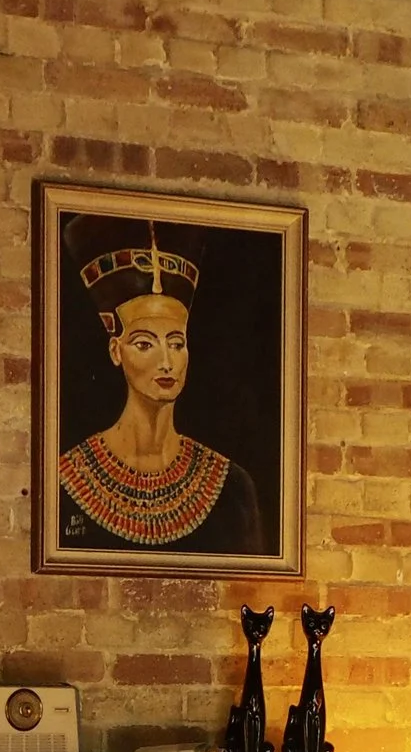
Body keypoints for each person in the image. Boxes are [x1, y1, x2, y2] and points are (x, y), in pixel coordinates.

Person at [57, 216, 265, 555]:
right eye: (144, 344)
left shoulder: (233, 489)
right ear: (116, 351)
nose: (166, 361)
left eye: (177, 343)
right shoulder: (67, 481)